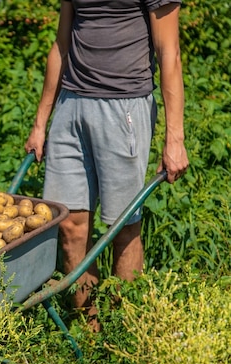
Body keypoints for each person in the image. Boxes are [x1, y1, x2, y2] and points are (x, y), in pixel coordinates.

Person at [24, 0, 189, 329]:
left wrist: (175, 138)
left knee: (123, 227)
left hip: (123, 106)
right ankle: (91, 332)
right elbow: (61, 44)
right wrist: (41, 123)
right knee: (69, 225)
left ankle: (125, 331)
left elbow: (169, 51)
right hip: (71, 105)